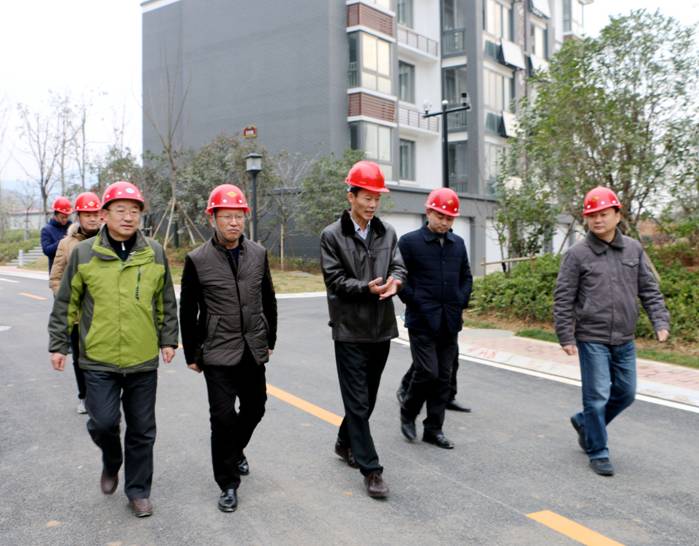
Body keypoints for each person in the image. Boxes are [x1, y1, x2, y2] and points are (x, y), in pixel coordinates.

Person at [48, 181, 178, 517]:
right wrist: (59, 344)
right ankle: (111, 458)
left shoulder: (154, 252)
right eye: (120, 210)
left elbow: (165, 299)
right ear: (104, 215)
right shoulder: (84, 253)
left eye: (134, 211)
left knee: (142, 430)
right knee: (103, 423)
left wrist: (168, 338)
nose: (128, 217)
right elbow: (67, 302)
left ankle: (138, 491)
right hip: (98, 358)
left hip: (142, 358)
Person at [554, 186, 670, 477]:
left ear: (617, 215)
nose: (597, 220)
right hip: (591, 336)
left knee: (626, 393)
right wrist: (566, 334)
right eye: (592, 215)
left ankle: (585, 422)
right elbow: (564, 297)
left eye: (603, 214)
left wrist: (660, 321)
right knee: (596, 397)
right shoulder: (577, 254)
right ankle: (598, 451)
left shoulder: (633, 249)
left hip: (624, 337)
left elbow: (649, 289)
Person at [179, 183, 277, 513]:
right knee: (222, 418)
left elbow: (268, 299)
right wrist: (192, 353)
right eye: (226, 217)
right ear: (213, 219)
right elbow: (188, 309)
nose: (234, 223)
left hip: (252, 348)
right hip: (217, 350)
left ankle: (233, 451)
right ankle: (228, 483)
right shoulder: (197, 259)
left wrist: (270, 340)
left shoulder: (258, 254)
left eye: (239, 216)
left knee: (256, 407)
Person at [320, 160, 406, 499]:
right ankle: (371, 469)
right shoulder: (332, 235)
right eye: (366, 197)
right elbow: (335, 280)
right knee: (357, 402)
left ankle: (345, 442)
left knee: (366, 399)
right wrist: (365, 288)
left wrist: (396, 281)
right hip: (349, 329)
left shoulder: (388, 232)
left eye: (377, 198)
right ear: (351, 196)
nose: (372, 204)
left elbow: (398, 265)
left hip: (381, 328)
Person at [397, 188, 473, 449]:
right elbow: (399, 278)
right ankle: (408, 412)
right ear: (428, 212)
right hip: (421, 320)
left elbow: (466, 276)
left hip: (449, 320)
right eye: (440, 216)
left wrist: (460, 299)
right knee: (427, 372)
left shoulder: (458, 244)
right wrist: (415, 300)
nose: (444, 222)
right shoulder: (409, 242)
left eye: (449, 218)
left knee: (444, 377)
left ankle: (434, 429)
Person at [49, 192, 103, 414]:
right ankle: (84, 396)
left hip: (104, 313)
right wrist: (67, 300)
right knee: (80, 359)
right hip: (78, 315)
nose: (92, 218)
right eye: (87, 214)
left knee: (104, 357)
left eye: (96, 214)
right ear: (78, 216)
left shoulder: (110, 240)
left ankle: (106, 397)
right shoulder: (66, 244)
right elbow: (56, 277)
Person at [41, 196, 73, 272]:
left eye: (67, 217)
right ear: (55, 215)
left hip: (71, 269)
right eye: (62, 217)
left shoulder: (72, 227)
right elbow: (46, 250)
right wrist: (62, 242)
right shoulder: (47, 230)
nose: (65, 219)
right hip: (56, 270)